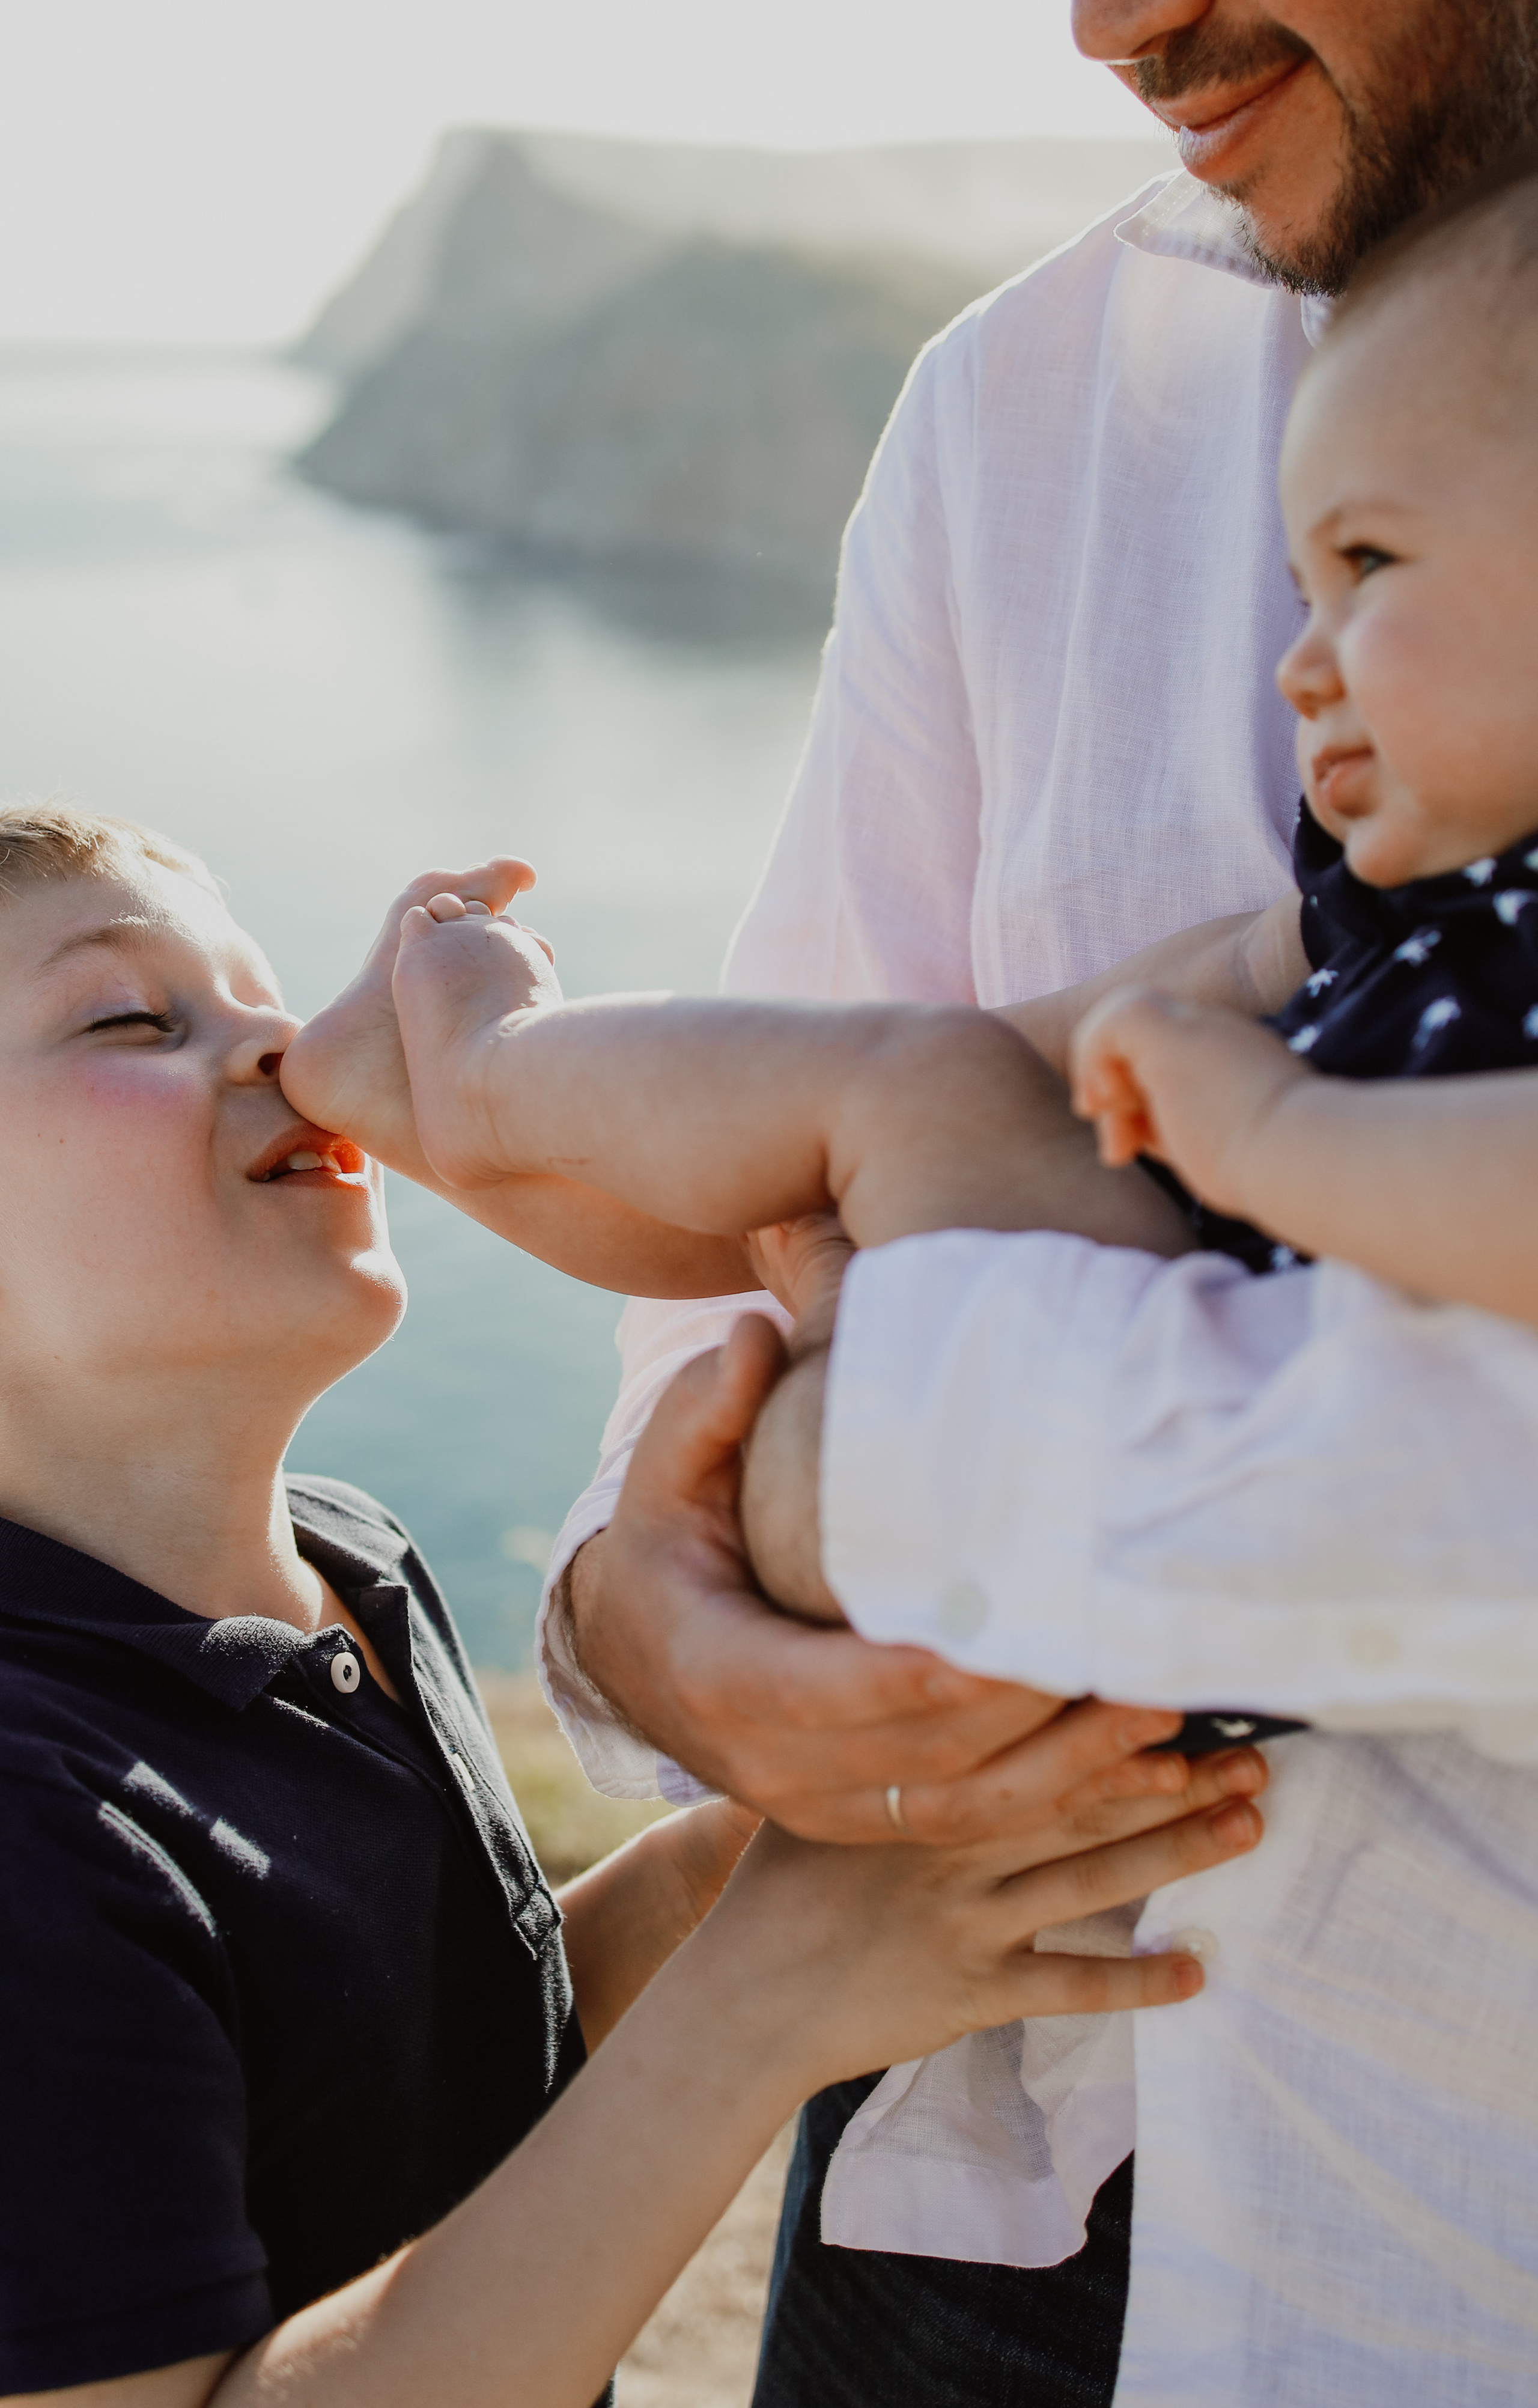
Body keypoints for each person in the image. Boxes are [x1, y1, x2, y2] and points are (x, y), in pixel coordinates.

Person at [279, 8, 1538, 2402]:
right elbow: (737, 1302)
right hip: (980, 2137)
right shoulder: (1037, 396)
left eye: (1371, 570)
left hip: (1431, 2200)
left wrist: (974, 1413)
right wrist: (655, 1628)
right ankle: (478, 1072)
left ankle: (480, 1065)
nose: (1109, 24)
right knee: (895, 1088)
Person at [0, 804, 1268, 2408]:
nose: (288, 1045)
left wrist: (723, 1868)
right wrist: (763, 2001)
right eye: (131, 1016)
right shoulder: (28, 1817)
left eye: (264, 991)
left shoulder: (350, 1570)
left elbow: (423, 2078)